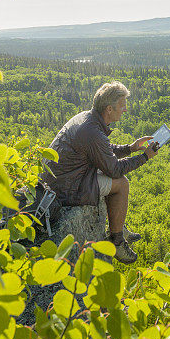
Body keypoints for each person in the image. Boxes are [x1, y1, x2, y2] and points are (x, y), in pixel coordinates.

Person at [40, 81, 158, 264]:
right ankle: (117, 241)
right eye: (122, 105)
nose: (125, 110)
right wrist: (145, 157)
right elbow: (115, 169)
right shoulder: (92, 131)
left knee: (114, 180)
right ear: (109, 109)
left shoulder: (87, 119)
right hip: (67, 187)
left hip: (63, 179)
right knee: (121, 184)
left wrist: (130, 148)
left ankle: (118, 227)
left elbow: (102, 149)